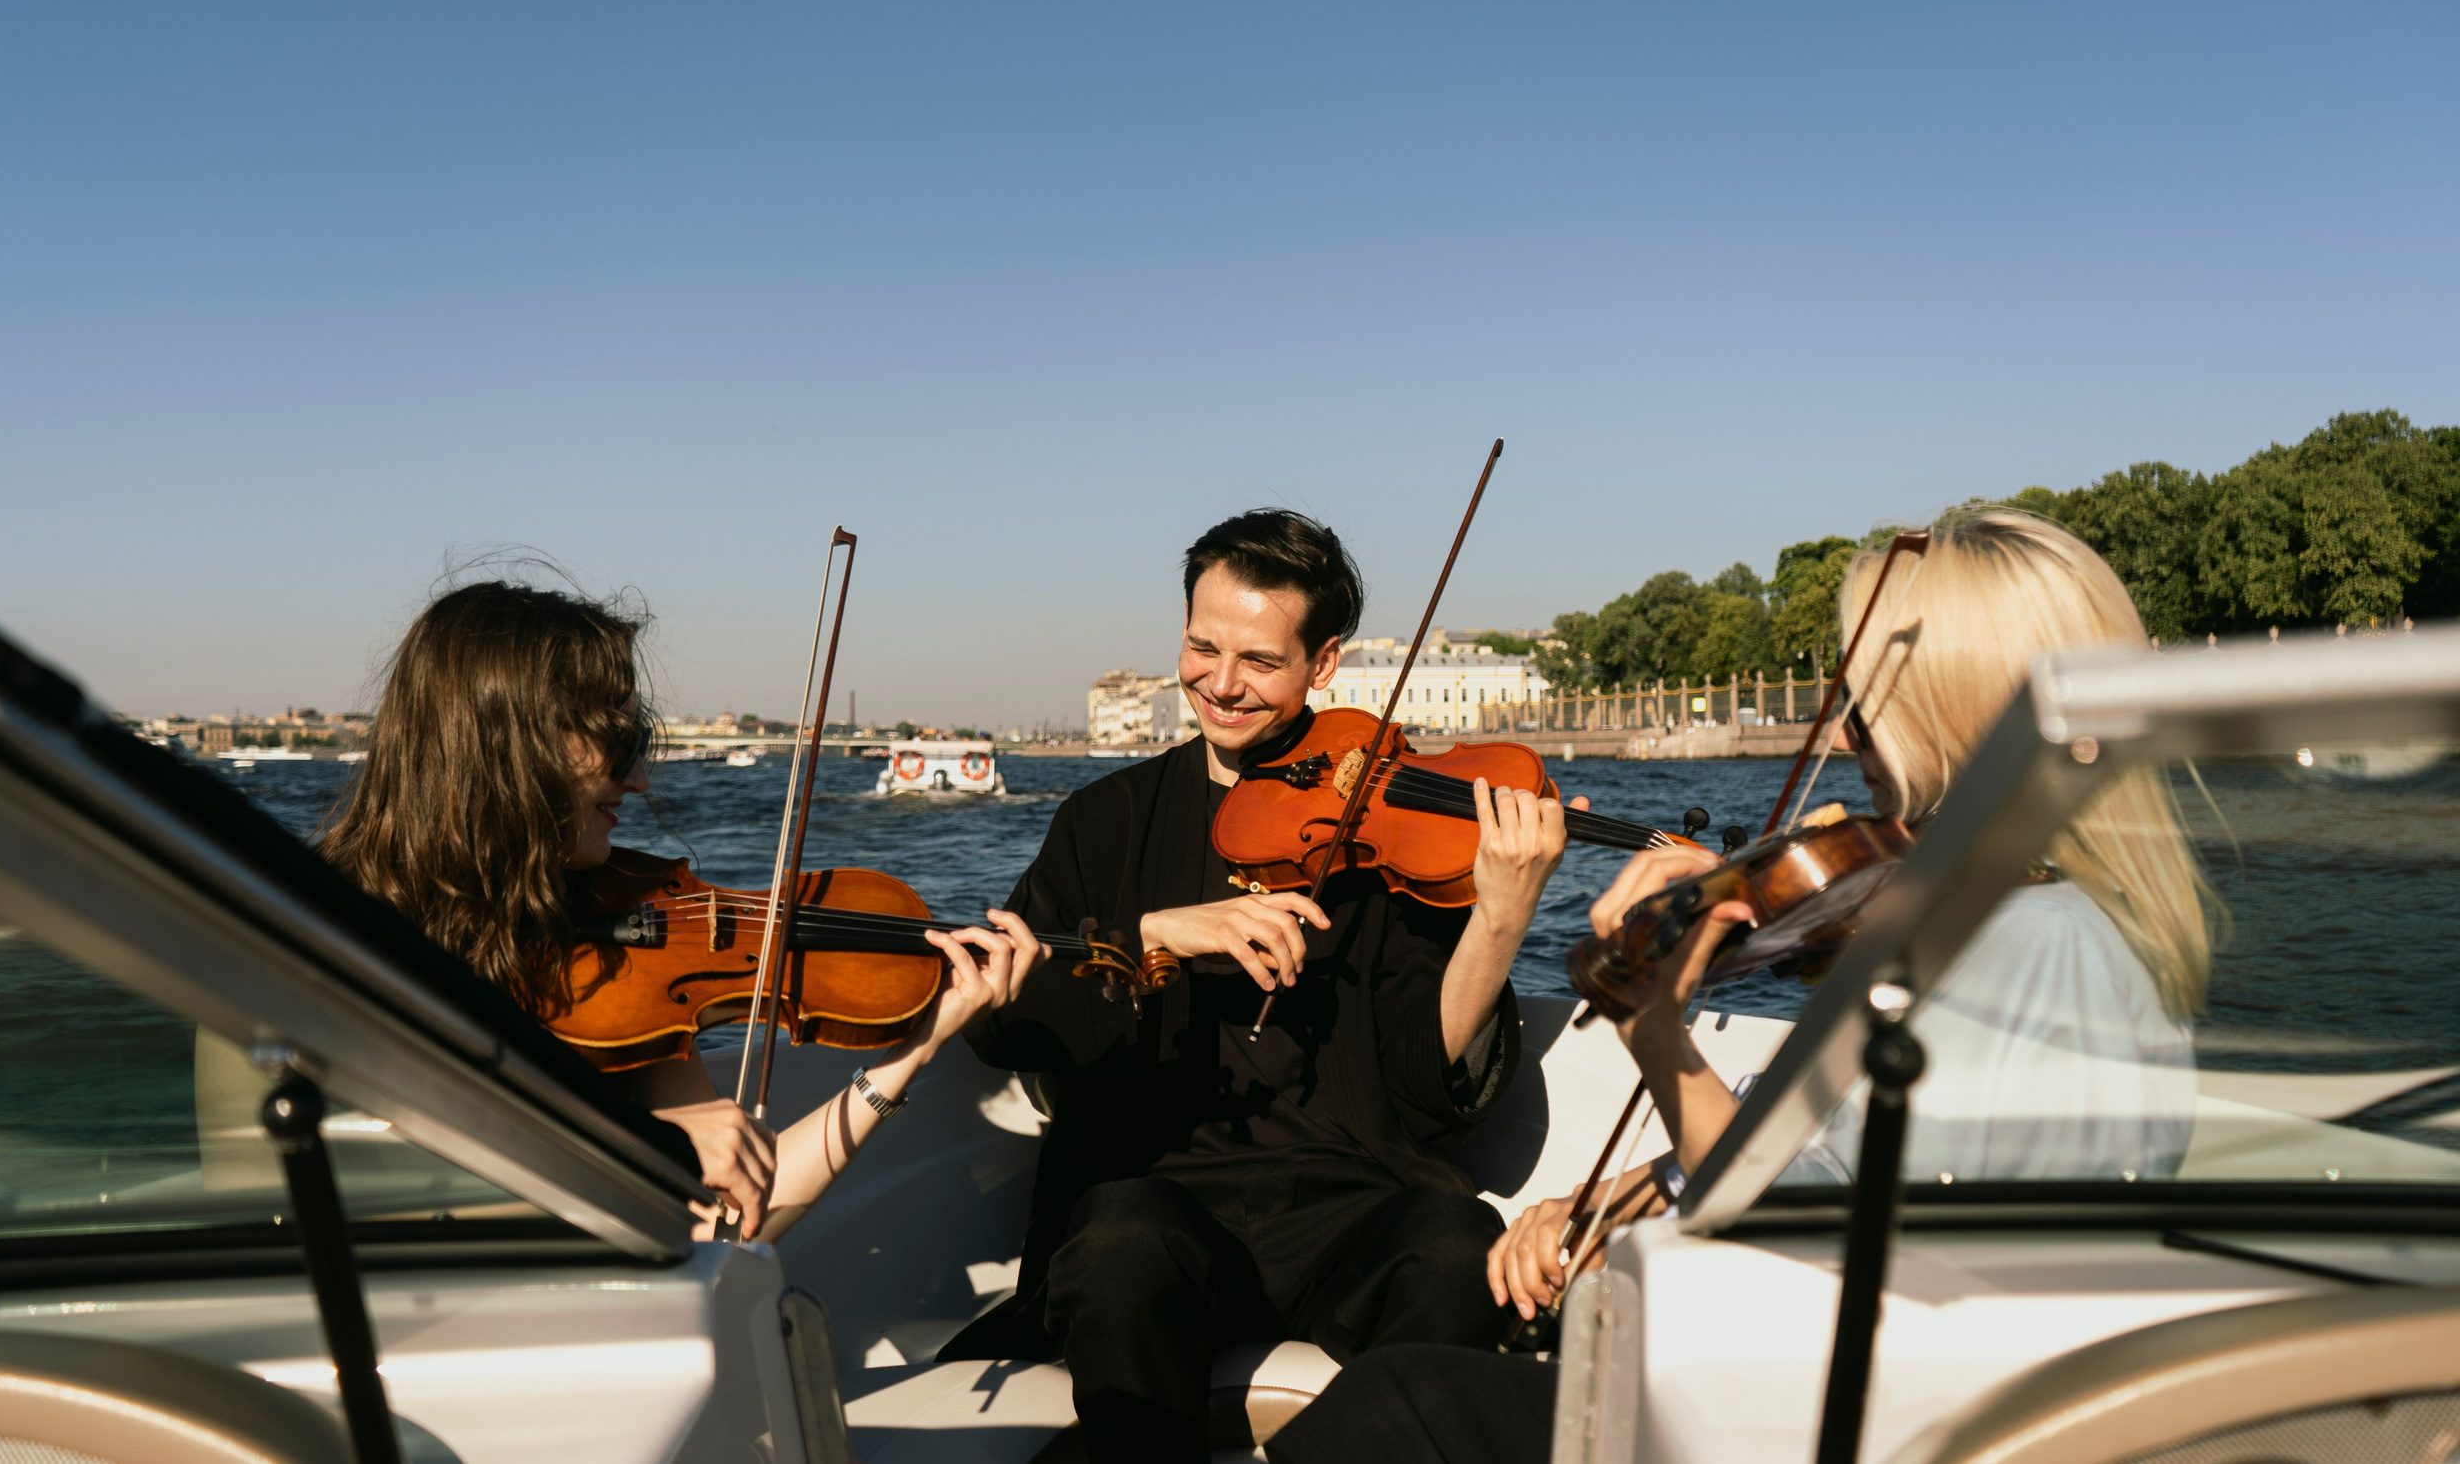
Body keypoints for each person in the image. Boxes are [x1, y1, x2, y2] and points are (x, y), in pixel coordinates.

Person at [1267, 506, 2217, 1464]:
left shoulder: (2036, 949)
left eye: (1866, 707)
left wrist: (1656, 1033)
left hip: (1864, 1419)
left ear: (1958, 715)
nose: (1846, 735)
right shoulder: (2015, 919)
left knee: (1398, 1405)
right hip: (1842, 1380)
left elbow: (1798, 1244)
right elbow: (1824, 1158)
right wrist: (1610, 1199)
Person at [944, 509, 1573, 1464]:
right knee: (1115, 1243)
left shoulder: (1387, 826)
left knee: (1454, 1246)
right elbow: (1004, 1023)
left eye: (1261, 660)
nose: (1222, 683)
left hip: (1347, 1198)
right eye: (1203, 647)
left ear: (1324, 664)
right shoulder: (1104, 820)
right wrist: (1153, 935)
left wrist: (1500, 916)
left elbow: (1423, 1088)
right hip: (1153, 1192)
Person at [316, 578, 1047, 1240]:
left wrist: (916, 1047)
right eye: (618, 743)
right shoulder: (331, 935)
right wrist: (637, 1147)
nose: (639, 778)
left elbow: (731, 1221)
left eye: (639, 743)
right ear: (508, 744)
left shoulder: (625, 952)